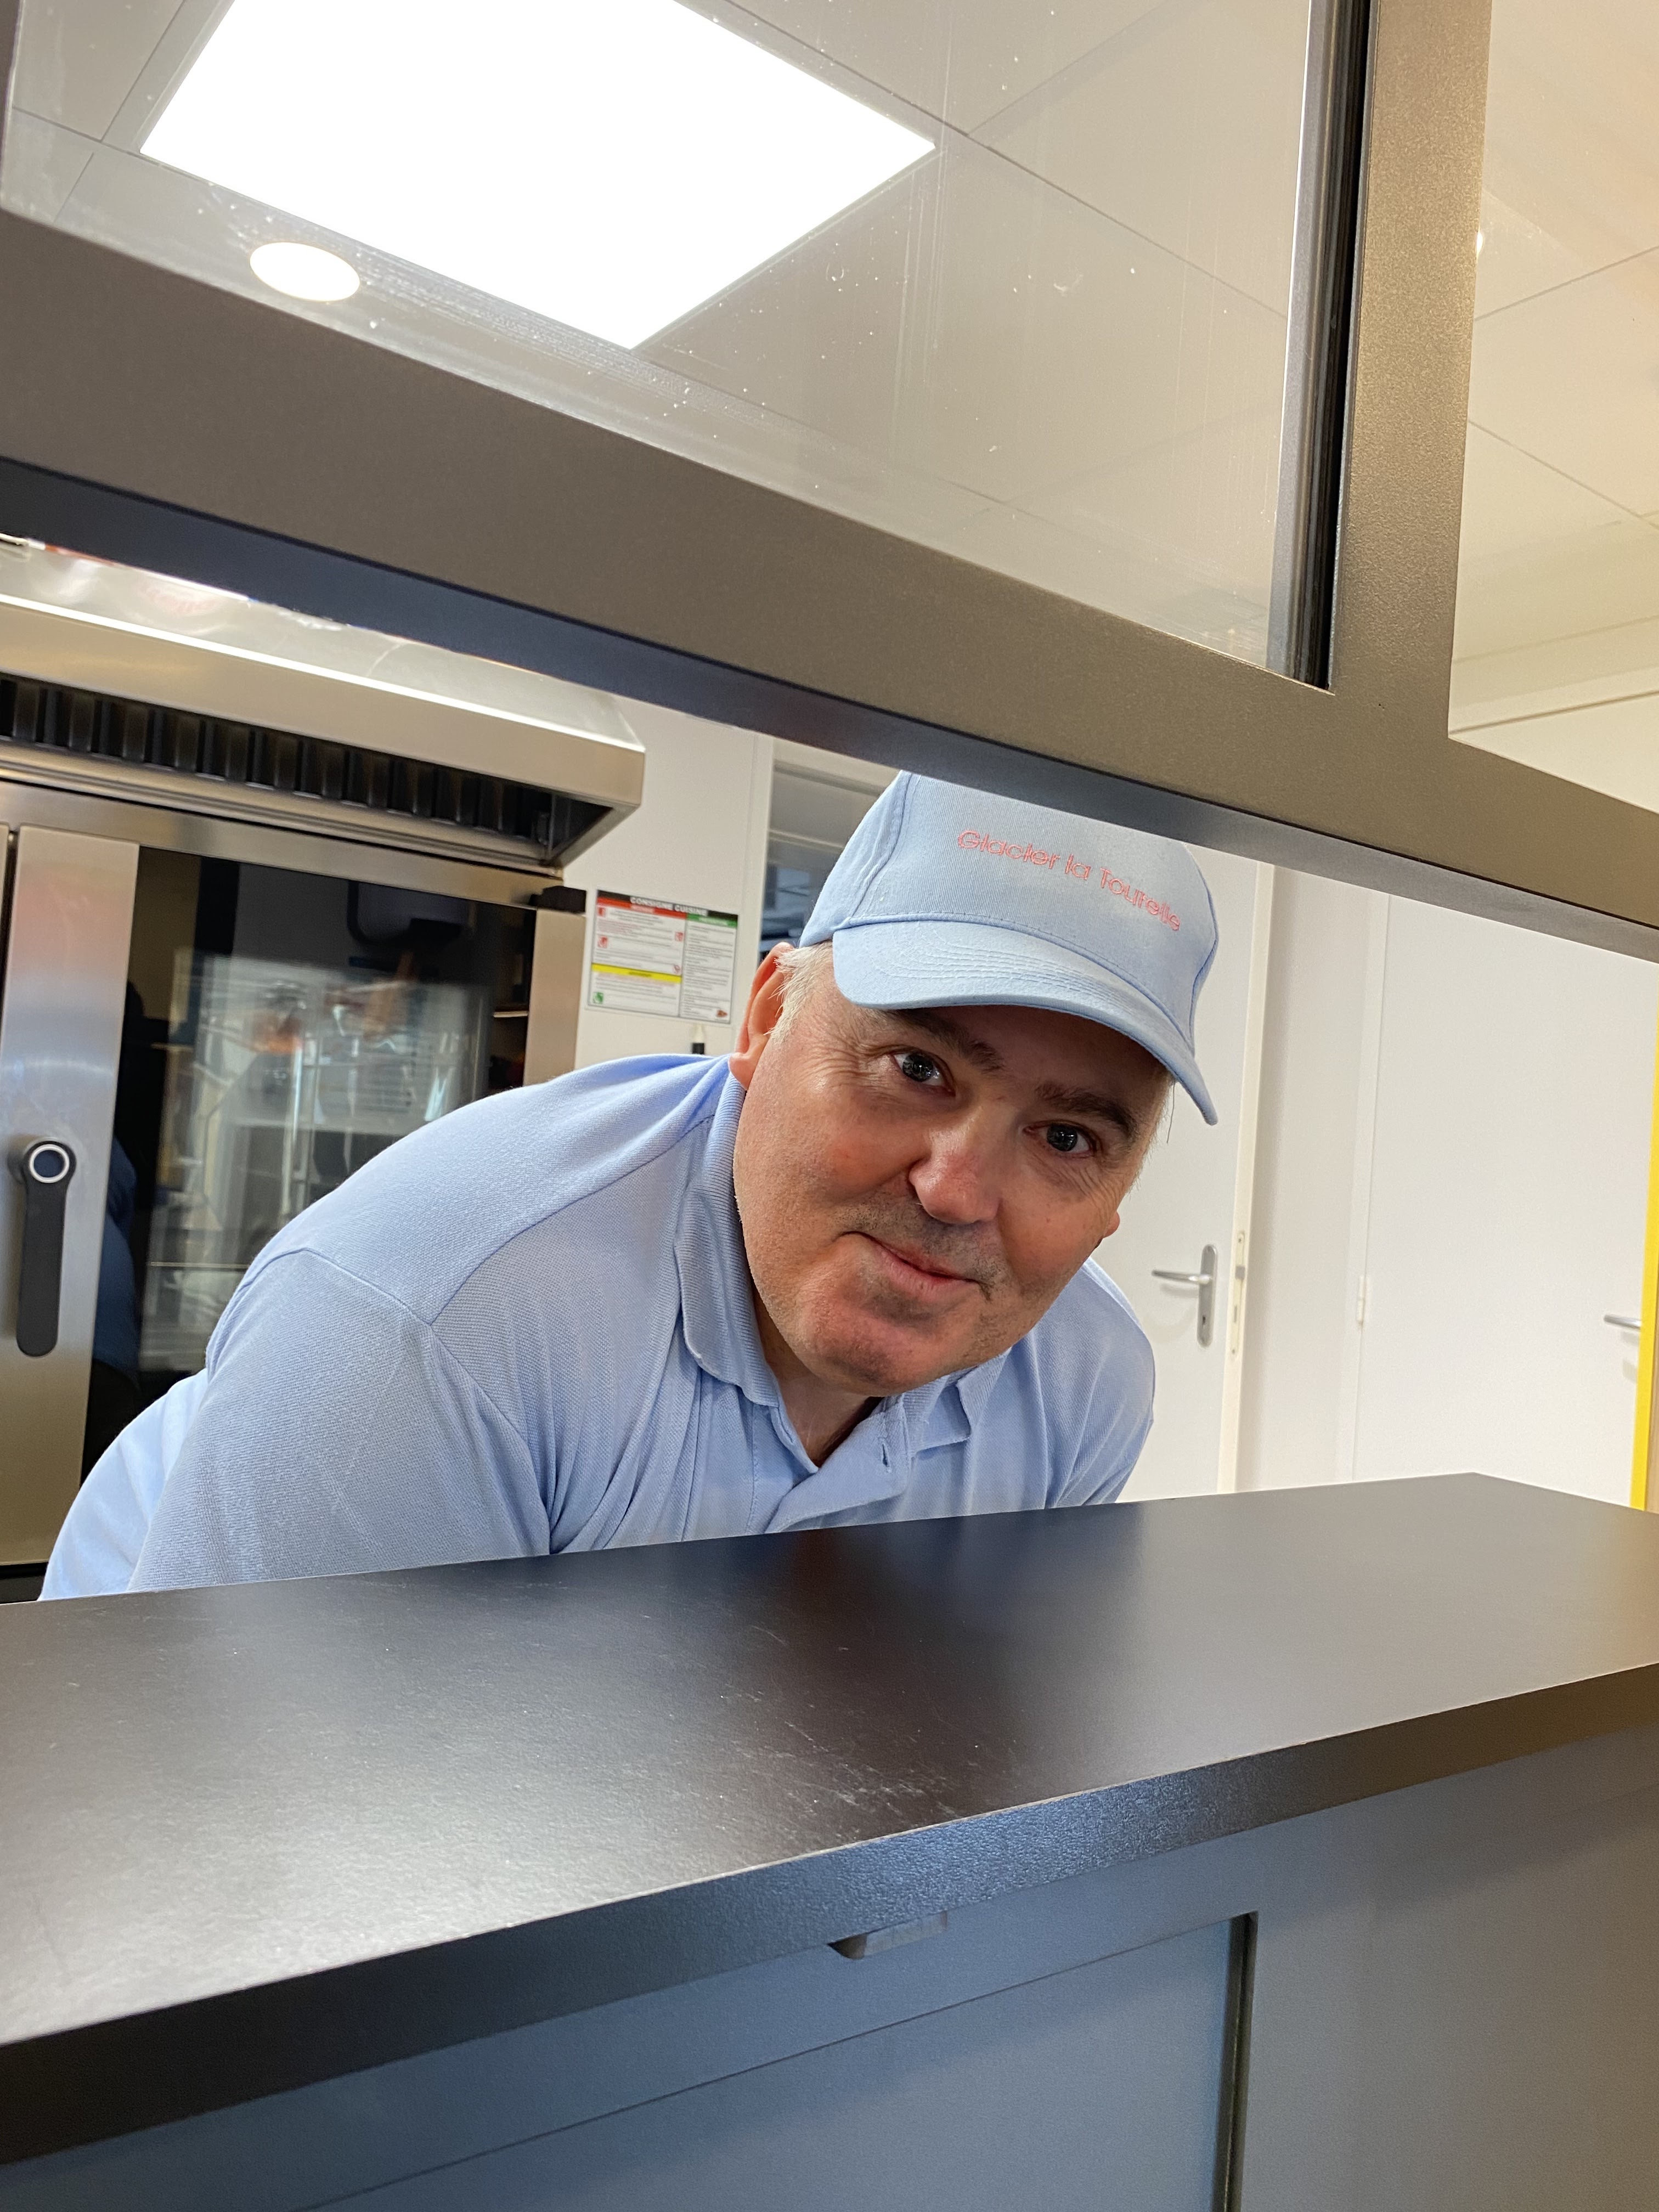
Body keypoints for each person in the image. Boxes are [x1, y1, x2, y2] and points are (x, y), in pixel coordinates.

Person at [42, 773, 1218, 1599]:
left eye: (1068, 1138)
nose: (957, 1192)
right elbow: (252, 1815)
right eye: (915, 1069)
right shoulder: (442, 1316)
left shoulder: (1083, 1384)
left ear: (1117, 1193)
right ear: (765, 1019)